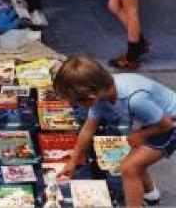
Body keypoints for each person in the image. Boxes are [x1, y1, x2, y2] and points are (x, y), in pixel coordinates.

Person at [53, 56, 175, 207]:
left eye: (76, 103)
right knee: (136, 158)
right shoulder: (101, 94)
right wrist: (73, 160)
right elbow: (87, 129)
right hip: (156, 119)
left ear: (89, 98)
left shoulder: (135, 99)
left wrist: (141, 134)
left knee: (129, 168)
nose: (76, 106)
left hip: (170, 122)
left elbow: (166, 125)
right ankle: (151, 194)